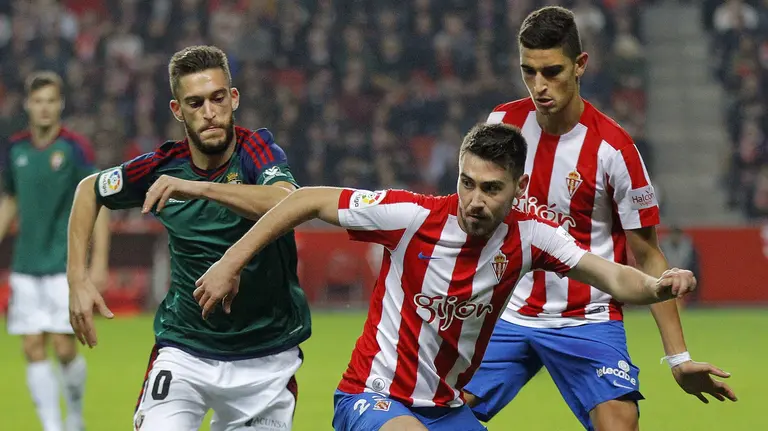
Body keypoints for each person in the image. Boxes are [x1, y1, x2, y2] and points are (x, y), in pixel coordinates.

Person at [194, 122, 697, 431]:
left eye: (492, 189)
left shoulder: (532, 237)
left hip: (444, 409)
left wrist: (656, 286)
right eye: (467, 182)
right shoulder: (411, 217)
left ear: (518, 187)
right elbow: (304, 199)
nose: (475, 200)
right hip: (373, 397)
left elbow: (612, 276)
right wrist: (229, 261)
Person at [461, 6, 737, 431]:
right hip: (507, 315)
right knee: (437, 414)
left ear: (580, 65)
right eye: (528, 72)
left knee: (620, 426)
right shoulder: (503, 123)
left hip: (587, 319)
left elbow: (647, 254)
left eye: (552, 71)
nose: (539, 85)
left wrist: (679, 358)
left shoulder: (615, 150)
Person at [66, 45, 311, 431]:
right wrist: (77, 279)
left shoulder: (256, 151)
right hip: (184, 351)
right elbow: (88, 190)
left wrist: (201, 188)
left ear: (233, 98)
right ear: (178, 110)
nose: (209, 112)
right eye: (195, 103)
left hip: (265, 359)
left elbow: (286, 200)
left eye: (217, 98)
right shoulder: (161, 167)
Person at [0, 71, 109, 431]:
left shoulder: (75, 148)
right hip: (26, 265)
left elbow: (99, 202)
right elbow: (10, 202)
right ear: (28, 106)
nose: (44, 108)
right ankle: (53, 426)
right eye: (38, 101)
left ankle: (74, 416)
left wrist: (99, 263)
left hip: (65, 266)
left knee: (64, 348)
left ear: (60, 104)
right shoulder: (16, 149)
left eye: (51, 101)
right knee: (32, 346)